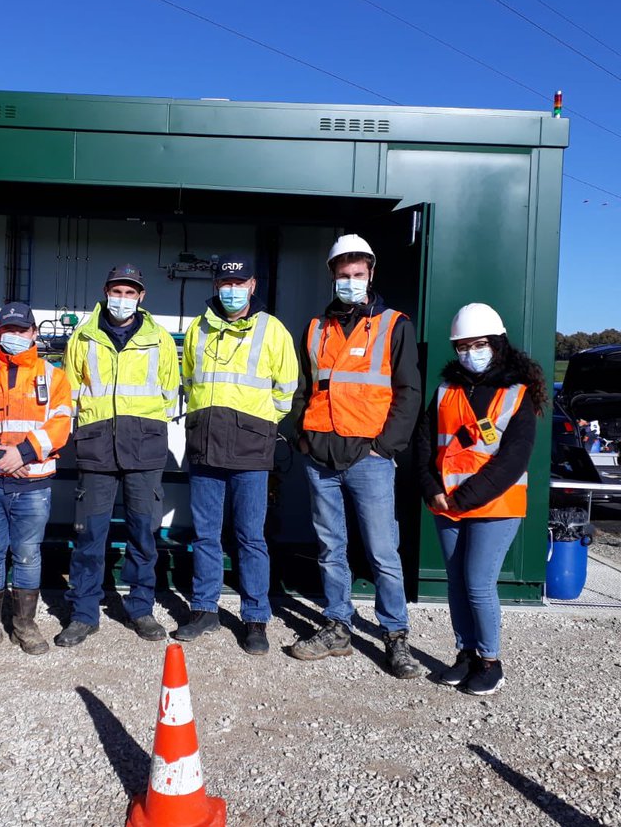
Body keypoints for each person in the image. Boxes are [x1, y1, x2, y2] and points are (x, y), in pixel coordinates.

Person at [289, 234, 423, 679]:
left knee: (383, 551)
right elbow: (303, 389)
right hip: (320, 456)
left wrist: (384, 447)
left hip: (369, 458)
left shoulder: (393, 324)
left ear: (371, 274)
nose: (350, 281)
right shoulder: (315, 328)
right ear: (332, 276)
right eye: (343, 275)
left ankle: (395, 636)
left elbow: (408, 393)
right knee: (331, 547)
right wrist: (302, 438)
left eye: (358, 275)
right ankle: (338, 625)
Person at [415, 302, 546, 696]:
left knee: (477, 582)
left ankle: (491, 661)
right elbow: (423, 445)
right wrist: (431, 487)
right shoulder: (445, 391)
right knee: (456, 583)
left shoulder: (517, 394)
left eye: (479, 344)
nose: (470, 353)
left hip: (493, 506)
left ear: (497, 344)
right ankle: (466, 654)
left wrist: (464, 497)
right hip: (446, 504)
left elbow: (512, 460)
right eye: (462, 346)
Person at [175, 255, 298, 655]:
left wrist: (262, 425)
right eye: (224, 283)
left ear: (252, 285)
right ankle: (204, 610)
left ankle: (255, 618)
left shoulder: (272, 330)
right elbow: (189, 380)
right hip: (205, 446)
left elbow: (286, 389)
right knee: (206, 535)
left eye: (238, 282)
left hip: (251, 449)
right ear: (216, 286)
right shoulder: (199, 327)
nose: (231, 290)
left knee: (250, 537)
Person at [54, 264, 180, 648]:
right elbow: (70, 392)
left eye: (130, 292)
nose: (122, 299)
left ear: (141, 297)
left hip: (144, 448)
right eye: (117, 291)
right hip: (96, 448)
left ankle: (141, 608)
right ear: (106, 291)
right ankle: (83, 613)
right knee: (90, 534)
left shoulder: (159, 339)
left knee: (144, 534)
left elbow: (170, 392)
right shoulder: (84, 336)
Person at [0, 302, 72, 656]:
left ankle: (25, 625)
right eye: (8, 330)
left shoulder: (55, 377)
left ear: (34, 334)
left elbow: (61, 423)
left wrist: (21, 454)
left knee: (27, 555)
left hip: (33, 482)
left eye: (21, 330)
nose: (14, 337)